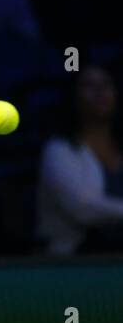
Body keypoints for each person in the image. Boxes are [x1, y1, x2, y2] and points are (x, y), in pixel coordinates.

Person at [36, 65, 123, 255]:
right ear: (74, 97)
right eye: (89, 86)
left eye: (106, 84)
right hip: (73, 261)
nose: (100, 92)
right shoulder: (57, 150)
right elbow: (82, 209)